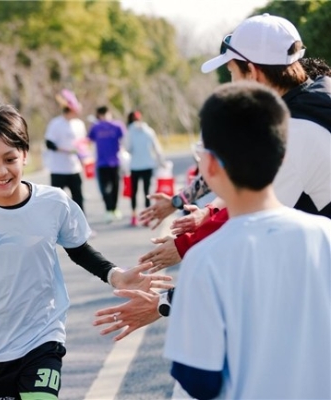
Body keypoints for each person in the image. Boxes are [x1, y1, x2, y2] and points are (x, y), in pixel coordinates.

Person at [0, 100, 173, 399]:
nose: (0, 171)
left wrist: (114, 275)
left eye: (10, 159)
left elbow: (78, 248)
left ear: (25, 155)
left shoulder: (53, 202)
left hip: (42, 334)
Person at [94, 14, 331, 341]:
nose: (231, 83)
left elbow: (250, 238)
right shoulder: (314, 97)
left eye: (232, 73)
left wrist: (164, 302)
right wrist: (207, 212)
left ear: (254, 71)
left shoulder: (298, 131)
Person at [165, 81, 331, 399]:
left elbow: (200, 379)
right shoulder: (325, 235)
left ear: (210, 165)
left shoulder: (207, 258)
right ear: (282, 155)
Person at [44, 89, 87, 212]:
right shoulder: (56, 123)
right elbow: (49, 143)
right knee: (56, 201)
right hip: (58, 169)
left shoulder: (79, 124)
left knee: (78, 198)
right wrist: (66, 150)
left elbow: (82, 145)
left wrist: (83, 158)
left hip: (74, 168)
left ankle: (81, 228)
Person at [125, 110, 165, 226]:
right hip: (148, 165)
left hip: (135, 166)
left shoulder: (130, 132)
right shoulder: (149, 131)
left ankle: (133, 216)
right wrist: (161, 161)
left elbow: (128, 148)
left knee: (134, 191)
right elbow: (157, 147)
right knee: (147, 191)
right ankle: (147, 217)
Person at [87, 106, 124, 223]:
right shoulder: (96, 127)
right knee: (105, 189)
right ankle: (108, 210)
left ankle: (115, 209)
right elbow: (89, 139)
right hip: (102, 163)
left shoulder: (117, 126)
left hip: (115, 162)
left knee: (116, 187)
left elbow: (124, 139)